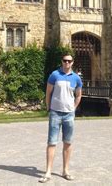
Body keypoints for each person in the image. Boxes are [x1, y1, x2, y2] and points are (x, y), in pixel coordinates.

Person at [39, 53, 82, 183]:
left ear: (72, 62)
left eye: (69, 61)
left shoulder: (76, 78)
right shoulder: (54, 75)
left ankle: (66, 170)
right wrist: (49, 108)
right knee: (52, 142)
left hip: (69, 114)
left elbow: (79, 95)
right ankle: (48, 172)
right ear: (62, 61)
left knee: (68, 142)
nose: (67, 63)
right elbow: (48, 92)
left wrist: (74, 107)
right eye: (65, 61)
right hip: (55, 113)